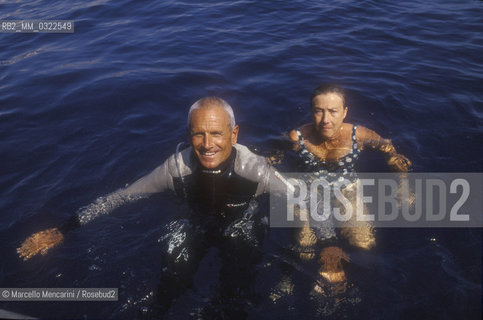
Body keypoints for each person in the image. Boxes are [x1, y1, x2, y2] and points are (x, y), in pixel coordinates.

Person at [17, 97, 286, 318]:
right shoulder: (176, 169)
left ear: (234, 133)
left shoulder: (256, 171)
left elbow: (302, 201)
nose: (207, 144)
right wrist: (65, 229)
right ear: (188, 134)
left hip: (242, 224)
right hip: (194, 224)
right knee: (166, 289)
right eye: (198, 134)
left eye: (216, 133)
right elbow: (122, 197)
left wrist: (321, 242)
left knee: (236, 295)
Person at [286, 84, 411, 292]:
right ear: (311, 112)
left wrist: (403, 187)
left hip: (347, 190)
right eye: (319, 111)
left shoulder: (359, 136)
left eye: (333, 111)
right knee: (304, 249)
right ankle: (318, 275)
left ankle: (344, 279)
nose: (326, 120)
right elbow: (277, 155)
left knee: (364, 243)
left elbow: (392, 153)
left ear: (345, 112)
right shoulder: (298, 137)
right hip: (309, 191)